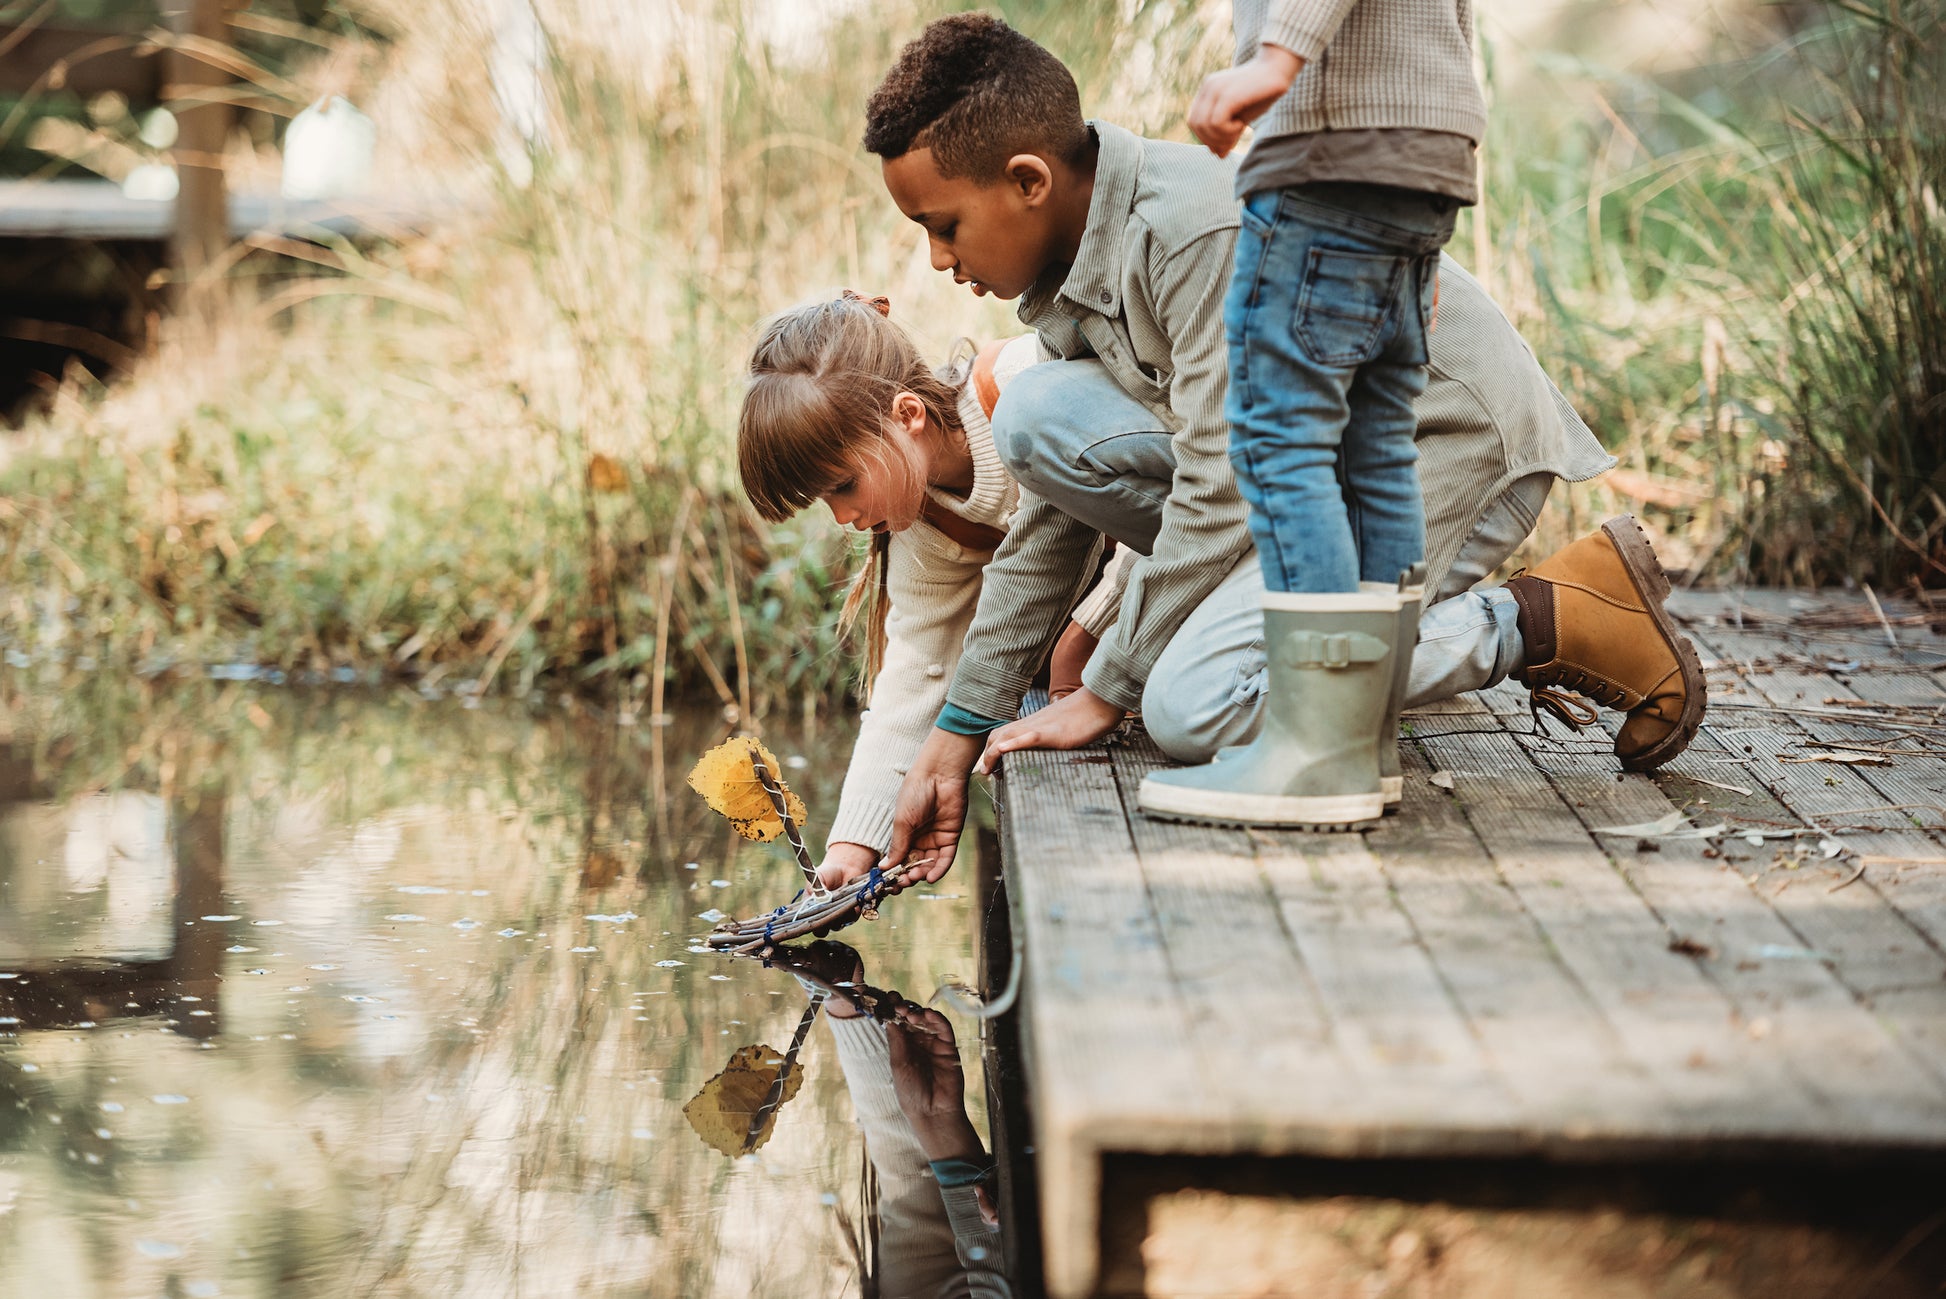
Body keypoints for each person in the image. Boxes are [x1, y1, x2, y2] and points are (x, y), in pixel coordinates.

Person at [839, 15, 1702, 887]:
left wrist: (1111, 680)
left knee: (1188, 705)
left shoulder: (1191, 231)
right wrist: (960, 727)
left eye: (941, 225)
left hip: (1438, 442)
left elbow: (1217, 481)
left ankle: (1547, 618)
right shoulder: (1078, 268)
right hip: (1303, 471)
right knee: (1035, 415)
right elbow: (1058, 508)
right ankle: (1270, 634)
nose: (939, 258)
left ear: (1027, 180)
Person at [1140, 0, 1486, 824]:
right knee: (1377, 446)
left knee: (1277, 440)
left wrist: (1274, 61)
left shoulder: (1294, 73)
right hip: (1419, 158)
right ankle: (1360, 743)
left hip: (1328, 150)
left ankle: (1315, 753)